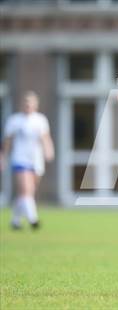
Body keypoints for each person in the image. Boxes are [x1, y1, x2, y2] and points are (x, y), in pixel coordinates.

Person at [1, 91, 54, 230]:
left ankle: (15, 221)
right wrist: (3, 157)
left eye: (31, 103)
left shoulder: (40, 120)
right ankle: (33, 219)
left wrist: (49, 150)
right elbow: (7, 141)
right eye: (26, 103)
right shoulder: (14, 120)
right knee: (27, 189)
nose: (28, 106)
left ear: (36, 105)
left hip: (36, 160)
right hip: (20, 159)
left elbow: (45, 137)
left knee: (26, 193)